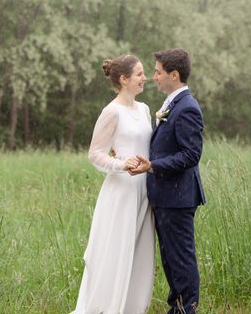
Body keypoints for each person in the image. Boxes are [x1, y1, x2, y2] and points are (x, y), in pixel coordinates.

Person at [71, 54, 155, 314]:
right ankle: (105, 307)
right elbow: (95, 153)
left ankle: (132, 308)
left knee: (139, 253)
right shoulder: (111, 111)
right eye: (139, 74)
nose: (145, 78)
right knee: (116, 253)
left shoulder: (144, 109)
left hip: (144, 190)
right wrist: (121, 164)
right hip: (121, 192)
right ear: (124, 79)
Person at [130, 48, 206, 314]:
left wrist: (153, 166)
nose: (153, 77)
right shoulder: (172, 104)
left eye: (158, 72)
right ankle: (177, 307)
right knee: (171, 260)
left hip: (178, 197)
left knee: (181, 259)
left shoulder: (187, 108)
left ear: (174, 75)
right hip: (166, 196)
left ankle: (186, 311)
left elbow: (191, 155)